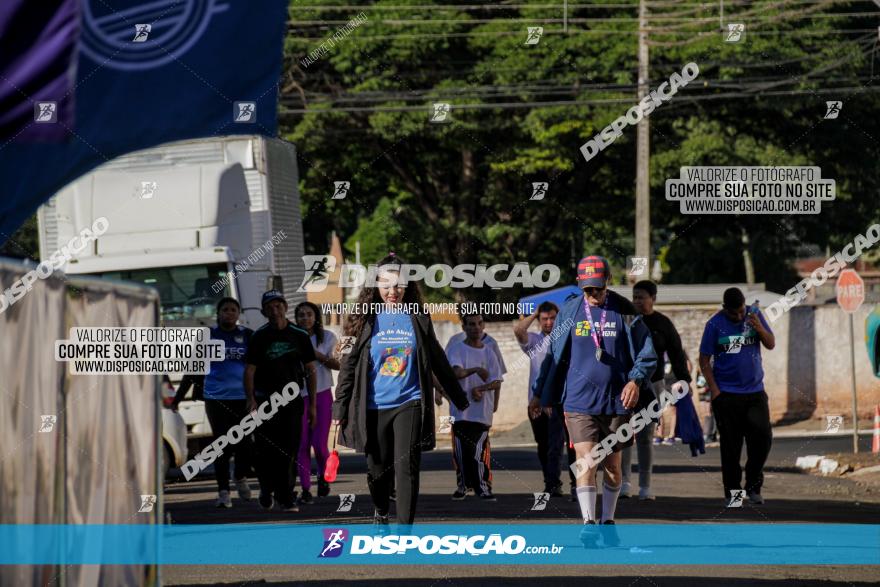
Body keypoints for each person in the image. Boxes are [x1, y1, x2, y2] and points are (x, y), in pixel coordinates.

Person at [332, 254, 469, 528]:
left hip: (410, 402)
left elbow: (437, 357)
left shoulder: (417, 318)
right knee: (377, 472)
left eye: (398, 285)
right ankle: (381, 510)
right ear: (375, 285)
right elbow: (348, 367)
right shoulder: (362, 320)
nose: (392, 291)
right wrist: (340, 408)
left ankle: (404, 530)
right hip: (372, 407)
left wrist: (458, 397)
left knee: (407, 467)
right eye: (386, 284)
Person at [529, 255, 656, 539]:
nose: (593, 294)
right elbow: (552, 355)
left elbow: (648, 354)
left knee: (612, 466)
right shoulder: (570, 312)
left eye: (597, 288)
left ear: (608, 281)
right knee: (587, 460)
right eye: (588, 289)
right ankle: (588, 524)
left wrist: (635, 381)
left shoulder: (625, 311)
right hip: (578, 402)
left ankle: (607, 522)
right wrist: (540, 393)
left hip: (616, 402)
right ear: (579, 285)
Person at [172, 297, 254, 508]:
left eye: (233, 310)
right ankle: (223, 492)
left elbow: (258, 368)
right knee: (222, 446)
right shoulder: (208, 336)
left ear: (238, 314)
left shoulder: (247, 336)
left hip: (243, 399)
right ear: (218, 313)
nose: (229, 313)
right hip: (216, 399)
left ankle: (241, 477)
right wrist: (178, 399)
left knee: (246, 445)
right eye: (225, 310)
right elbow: (192, 371)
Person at [244, 290, 318, 512]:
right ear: (264, 311)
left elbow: (311, 370)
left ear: (285, 308)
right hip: (265, 400)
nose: (275, 311)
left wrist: (312, 404)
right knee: (266, 451)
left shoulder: (299, 335)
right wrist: (251, 401)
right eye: (270, 307)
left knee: (289, 451)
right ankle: (267, 489)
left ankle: (286, 497)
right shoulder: (259, 336)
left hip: (292, 401)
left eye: (278, 306)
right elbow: (249, 371)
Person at [699, 287, 774, 505]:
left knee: (762, 439)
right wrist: (715, 391)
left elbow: (770, 343)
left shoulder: (754, 315)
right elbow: (704, 360)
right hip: (727, 395)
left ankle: (753, 485)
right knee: (731, 448)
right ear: (725, 310)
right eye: (734, 314)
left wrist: (758, 327)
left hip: (755, 393)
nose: (739, 316)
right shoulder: (714, 325)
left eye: (741, 311)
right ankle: (734, 494)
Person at [623, 281, 692, 500]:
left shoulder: (663, 324)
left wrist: (684, 380)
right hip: (626, 385)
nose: (637, 301)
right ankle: (624, 483)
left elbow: (677, 353)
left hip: (653, 385)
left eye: (642, 297)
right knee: (622, 436)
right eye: (634, 297)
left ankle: (645, 486)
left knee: (645, 437)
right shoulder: (626, 321)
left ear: (653, 298)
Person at [515, 302, 570, 498]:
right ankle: (549, 481)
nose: (549, 322)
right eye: (544, 319)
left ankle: (561, 483)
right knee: (543, 445)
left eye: (552, 318)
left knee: (559, 444)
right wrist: (536, 312)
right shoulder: (534, 342)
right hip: (536, 403)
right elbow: (519, 329)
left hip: (558, 401)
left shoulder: (565, 340)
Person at [447, 313, 503, 501]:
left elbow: (496, 380)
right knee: (462, 453)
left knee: (478, 451)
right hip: (461, 411)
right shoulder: (456, 349)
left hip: (482, 412)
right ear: (464, 327)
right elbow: (456, 373)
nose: (476, 328)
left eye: (479, 324)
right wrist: (476, 370)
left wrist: (482, 388)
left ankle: (482, 487)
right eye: (471, 324)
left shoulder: (489, 351)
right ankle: (463, 485)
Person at [294, 301, 340, 504]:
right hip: (297, 397)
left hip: (322, 394)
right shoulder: (291, 337)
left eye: (309, 314)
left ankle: (323, 477)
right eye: (301, 315)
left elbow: (338, 364)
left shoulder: (328, 337)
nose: (305, 318)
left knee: (319, 445)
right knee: (302, 445)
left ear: (316, 317)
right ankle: (305, 488)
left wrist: (316, 355)